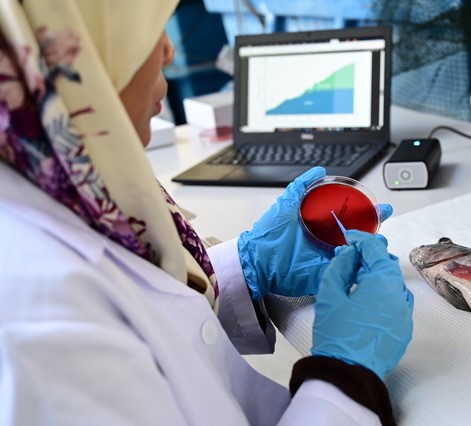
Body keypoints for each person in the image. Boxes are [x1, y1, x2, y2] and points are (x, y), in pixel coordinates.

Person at [0, 1, 414, 425]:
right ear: (64, 58)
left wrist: (244, 267)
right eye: (148, 31)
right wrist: (346, 377)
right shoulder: (37, 319)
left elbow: (153, 322)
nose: (167, 52)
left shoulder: (69, 182)